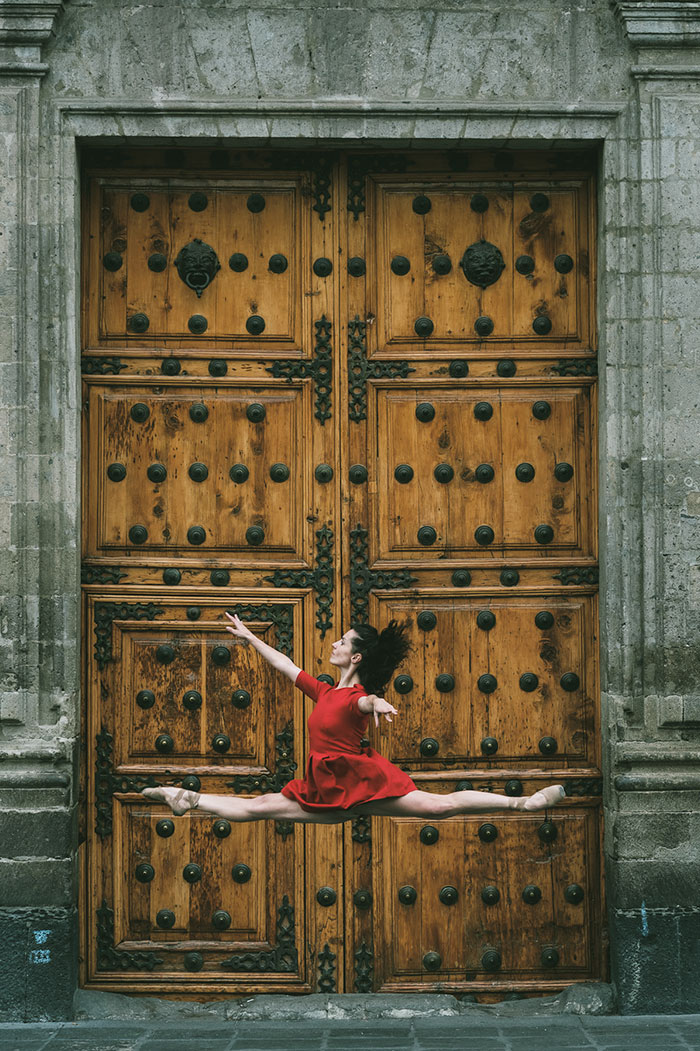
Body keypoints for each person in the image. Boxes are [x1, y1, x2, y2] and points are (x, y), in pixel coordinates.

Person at [142, 613, 565, 821]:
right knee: (259, 807)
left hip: (357, 785)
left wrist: (378, 703)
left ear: (356, 656)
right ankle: (188, 799)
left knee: (439, 805)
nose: (335, 644)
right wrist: (251, 637)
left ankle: (523, 803)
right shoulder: (326, 691)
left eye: (343, 642)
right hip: (325, 788)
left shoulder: (355, 698)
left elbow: (365, 703)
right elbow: (286, 665)